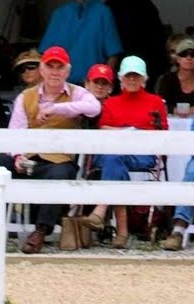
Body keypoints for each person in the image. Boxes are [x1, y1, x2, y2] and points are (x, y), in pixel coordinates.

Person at [9, 46, 101, 252]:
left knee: (59, 174)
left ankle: (40, 231)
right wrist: (17, 156)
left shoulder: (77, 93)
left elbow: (94, 108)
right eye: (50, 66)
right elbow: (15, 131)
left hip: (59, 159)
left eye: (60, 67)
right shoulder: (26, 96)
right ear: (42, 70)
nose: (54, 72)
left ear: (67, 72)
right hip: (29, 157)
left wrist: (57, 108)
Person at [81, 55, 165, 245]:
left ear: (145, 79)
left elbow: (162, 132)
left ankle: (103, 211)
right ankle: (121, 231)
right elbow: (103, 128)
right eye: (128, 76)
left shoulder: (155, 101)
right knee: (115, 160)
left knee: (113, 159)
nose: (132, 80)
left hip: (142, 156)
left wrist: (125, 133)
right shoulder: (112, 102)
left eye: (136, 76)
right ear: (121, 78)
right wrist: (129, 131)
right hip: (113, 155)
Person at [40, 0, 123, 72]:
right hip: (62, 83)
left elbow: (113, 54)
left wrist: (104, 80)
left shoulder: (103, 12)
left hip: (92, 84)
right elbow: (45, 53)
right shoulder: (59, 13)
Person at [155, 35, 194, 115]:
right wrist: (186, 111)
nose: (189, 58)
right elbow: (161, 105)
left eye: (193, 54)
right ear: (177, 58)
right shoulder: (167, 79)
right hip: (173, 123)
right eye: (184, 54)